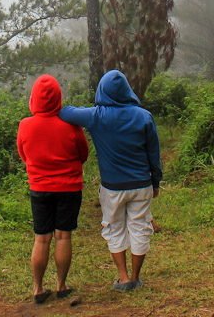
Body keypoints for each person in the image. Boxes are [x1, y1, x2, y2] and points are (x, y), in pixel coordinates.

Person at [60, 69, 162, 292]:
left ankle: (123, 278)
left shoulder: (96, 116)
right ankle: (136, 277)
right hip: (141, 184)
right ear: (127, 90)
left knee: (114, 228)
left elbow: (65, 112)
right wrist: (156, 182)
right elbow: (154, 154)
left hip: (112, 188)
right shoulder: (144, 116)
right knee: (140, 227)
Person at [16, 74, 89, 304]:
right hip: (69, 188)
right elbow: (83, 154)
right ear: (58, 97)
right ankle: (61, 285)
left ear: (33, 98)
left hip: (40, 188)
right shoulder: (71, 125)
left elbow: (23, 155)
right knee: (63, 236)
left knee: (41, 239)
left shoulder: (25, 125)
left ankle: (38, 288)